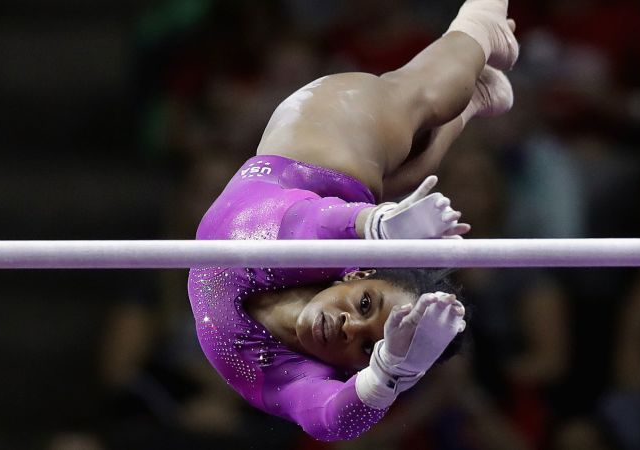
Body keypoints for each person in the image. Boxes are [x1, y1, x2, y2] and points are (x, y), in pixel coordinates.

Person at [187, 0, 520, 441]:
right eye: (366, 304)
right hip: (327, 132)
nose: (350, 327)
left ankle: (472, 101)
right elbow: (293, 224)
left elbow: (329, 421)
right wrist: (374, 225)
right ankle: (481, 26)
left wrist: (392, 372)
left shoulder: (275, 367)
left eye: (367, 348)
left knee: (408, 167)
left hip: (324, 177)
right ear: (358, 270)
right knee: (429, 97)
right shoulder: (316, 247)